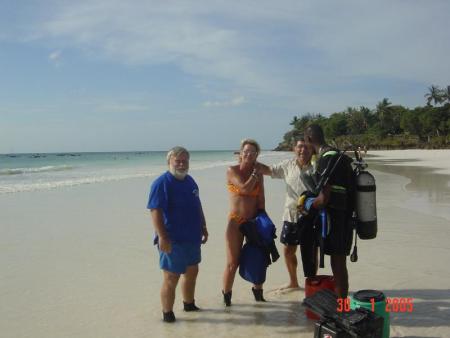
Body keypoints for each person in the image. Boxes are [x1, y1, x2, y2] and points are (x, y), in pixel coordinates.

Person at [147, 146, 209, 323]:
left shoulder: (190, 181)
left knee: (192, 271)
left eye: (185, 161)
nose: (181, 164)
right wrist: (163, 237)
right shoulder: (161, 183)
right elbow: (155, 211)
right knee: (171, 277)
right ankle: (168, 314)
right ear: (169, 162)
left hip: (192, 237)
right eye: (178, 161)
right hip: (172, 239)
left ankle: (189, 304)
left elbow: (198, 205)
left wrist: (203, 226)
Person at [257, 137, 318, 289]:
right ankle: (293, 282)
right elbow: (269, 170)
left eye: (306, 147)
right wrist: (249, 160)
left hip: (311, 216)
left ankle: (311, 283)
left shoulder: (317, 167)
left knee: (311, 252)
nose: (302, 150)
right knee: (288, 250)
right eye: (299, 147)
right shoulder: (287, 165)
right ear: (294, 149)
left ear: (312, 150)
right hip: (291, 215)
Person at [303, 124, 353, 298]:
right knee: (340, 264)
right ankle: (343, 306)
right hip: (347, 217)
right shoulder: (339, 156)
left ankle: (341, 310)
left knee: (337, 265)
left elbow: (323, 199)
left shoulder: (326, 159)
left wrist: (307, 204)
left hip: (335, 220)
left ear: (309, 139)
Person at [222, 139, 266, 306]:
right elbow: (245, 189)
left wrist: (264, 219)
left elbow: (261, 198)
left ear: (256, 155)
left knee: (259, 258)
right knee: (233, 262)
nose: (248, 154)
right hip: (236, 222)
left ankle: (259, 295)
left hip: (254, 221)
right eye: (245, 151)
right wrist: (255, 173)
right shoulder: (231, 170)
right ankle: (227, 298)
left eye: (252, 152)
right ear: (240, 154)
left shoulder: (259, 173)